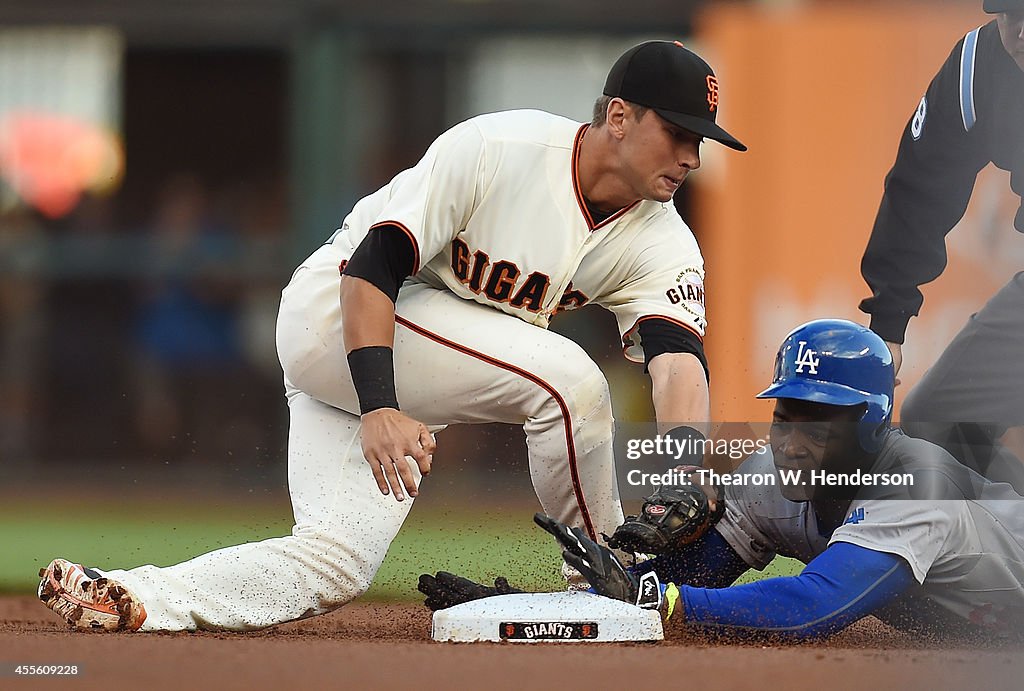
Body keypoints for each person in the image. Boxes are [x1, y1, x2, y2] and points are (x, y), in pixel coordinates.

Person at [37, 40, 746, 632]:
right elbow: (374, 263)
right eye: (678, 132)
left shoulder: (663, 241)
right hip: (337, 314)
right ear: (619, 117)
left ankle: (132, 597)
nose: (691, 154)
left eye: (701, 140)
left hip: (407, 362)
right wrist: (378, 403)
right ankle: (600, 591)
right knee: (571, 384)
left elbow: (676, 358)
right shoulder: (502, 147)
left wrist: (685, 469)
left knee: (334, 563)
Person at [422, 320, 1024, 640]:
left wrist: (658, 599)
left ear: (869, 425)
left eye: (817, 421)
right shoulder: (768, 478)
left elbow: (812, 609)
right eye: (784, 416)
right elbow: (674, 585)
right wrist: (527, 608)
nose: (791, 440)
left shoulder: (917, 483)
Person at [859, 1, 1024, 492]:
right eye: (1013, 15)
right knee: (938, 419)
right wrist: (889, 322)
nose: (1022, 32)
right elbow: (921, 185)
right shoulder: (978, 67)